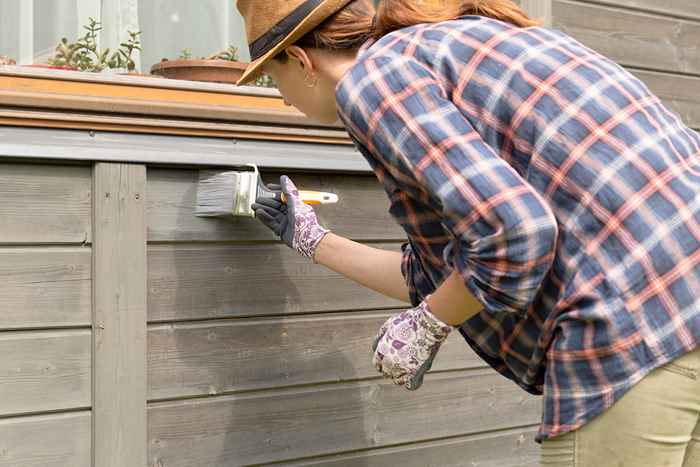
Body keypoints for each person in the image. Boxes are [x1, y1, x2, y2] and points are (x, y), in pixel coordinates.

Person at [238, 0, 700, 465]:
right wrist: (314, 240)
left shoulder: (373, 79)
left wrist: (428, 324)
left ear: (301, 61)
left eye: (273, 79)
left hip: (631, 327)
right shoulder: (464, 41)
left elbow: (515, 234)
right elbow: (452, 275)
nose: (282, 98)